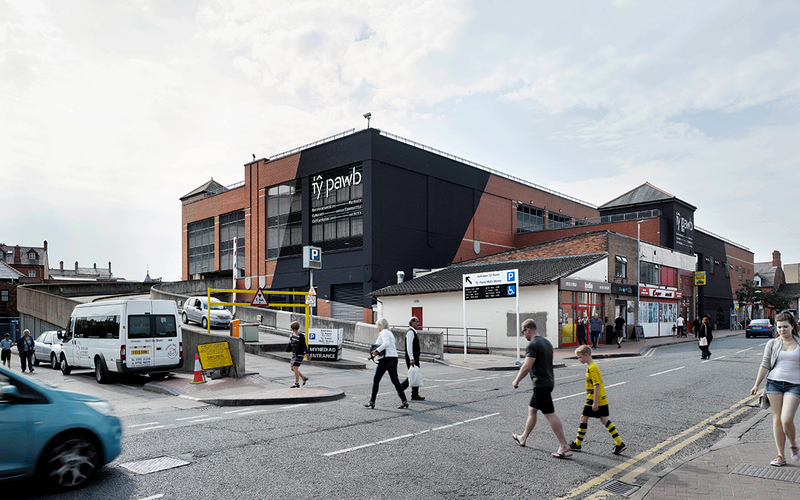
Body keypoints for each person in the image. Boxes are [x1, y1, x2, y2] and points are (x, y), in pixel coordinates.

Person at [511, 319, 572, 459]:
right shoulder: (546, 342)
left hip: (541, 384)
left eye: (523, 332)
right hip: (548, 381)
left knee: (549, 413)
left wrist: (516, 380)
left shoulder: (532, 344)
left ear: (527, 330)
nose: (523, 335)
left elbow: (526, 367)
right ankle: (523, 437)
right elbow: (538, 363)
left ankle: (563, 445)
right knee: (532, 410)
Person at [750, 311, 800, 467]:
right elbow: (765, 364)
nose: (782, 330)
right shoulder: (772, 344)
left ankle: (793, 444)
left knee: (786, 419)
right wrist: (756, 384)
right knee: (777, 420)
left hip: (794, 385)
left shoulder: (799, 343)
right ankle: (780, 455)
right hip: (774, 384)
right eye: (779, 327)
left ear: (792, 326)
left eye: (785, 327)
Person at [569, 345, 626, 455]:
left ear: (586, 355)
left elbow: (596, 384)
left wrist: (595, 402)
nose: (579, 359)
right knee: (604, 420)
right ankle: (619, 443)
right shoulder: (592, 366)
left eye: (580, 357)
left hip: (593, 398)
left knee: (583, 418)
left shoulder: (592, 368)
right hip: (601, 398)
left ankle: (577, 443)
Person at [365, 318, 409, 409]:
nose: (377, 328)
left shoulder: (384, 332)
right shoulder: (389, 333)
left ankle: (372, 401)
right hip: (393, 358)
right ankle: (404, 401)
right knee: (395, 381)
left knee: (376, 380)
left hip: (386, 360)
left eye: (378, 326)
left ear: (380, 326)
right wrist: (372, 356)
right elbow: (386, 347)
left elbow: (386, 344)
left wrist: (376, 350)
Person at [400, 316, 425, 401]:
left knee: (414, 374)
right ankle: (401, 389)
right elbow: (409, 346)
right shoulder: (410, 332)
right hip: (412, 357)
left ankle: (414, 394)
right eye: (417, 322)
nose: (418, 323)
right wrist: (411, 358)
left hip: (414, 357)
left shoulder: (413, 332)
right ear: (412, 323)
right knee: (413, 374)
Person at [288, 321, 308, 388]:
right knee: (292, 368)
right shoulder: (292, 335)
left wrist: (307, 353)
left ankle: (296, 383)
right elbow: (290, 344)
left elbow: (304, 345)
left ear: (294, 329)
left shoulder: (301, 336)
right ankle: (304, 377)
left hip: (299, 353)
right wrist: (290, 339)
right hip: (294, 353)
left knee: (295, 367)